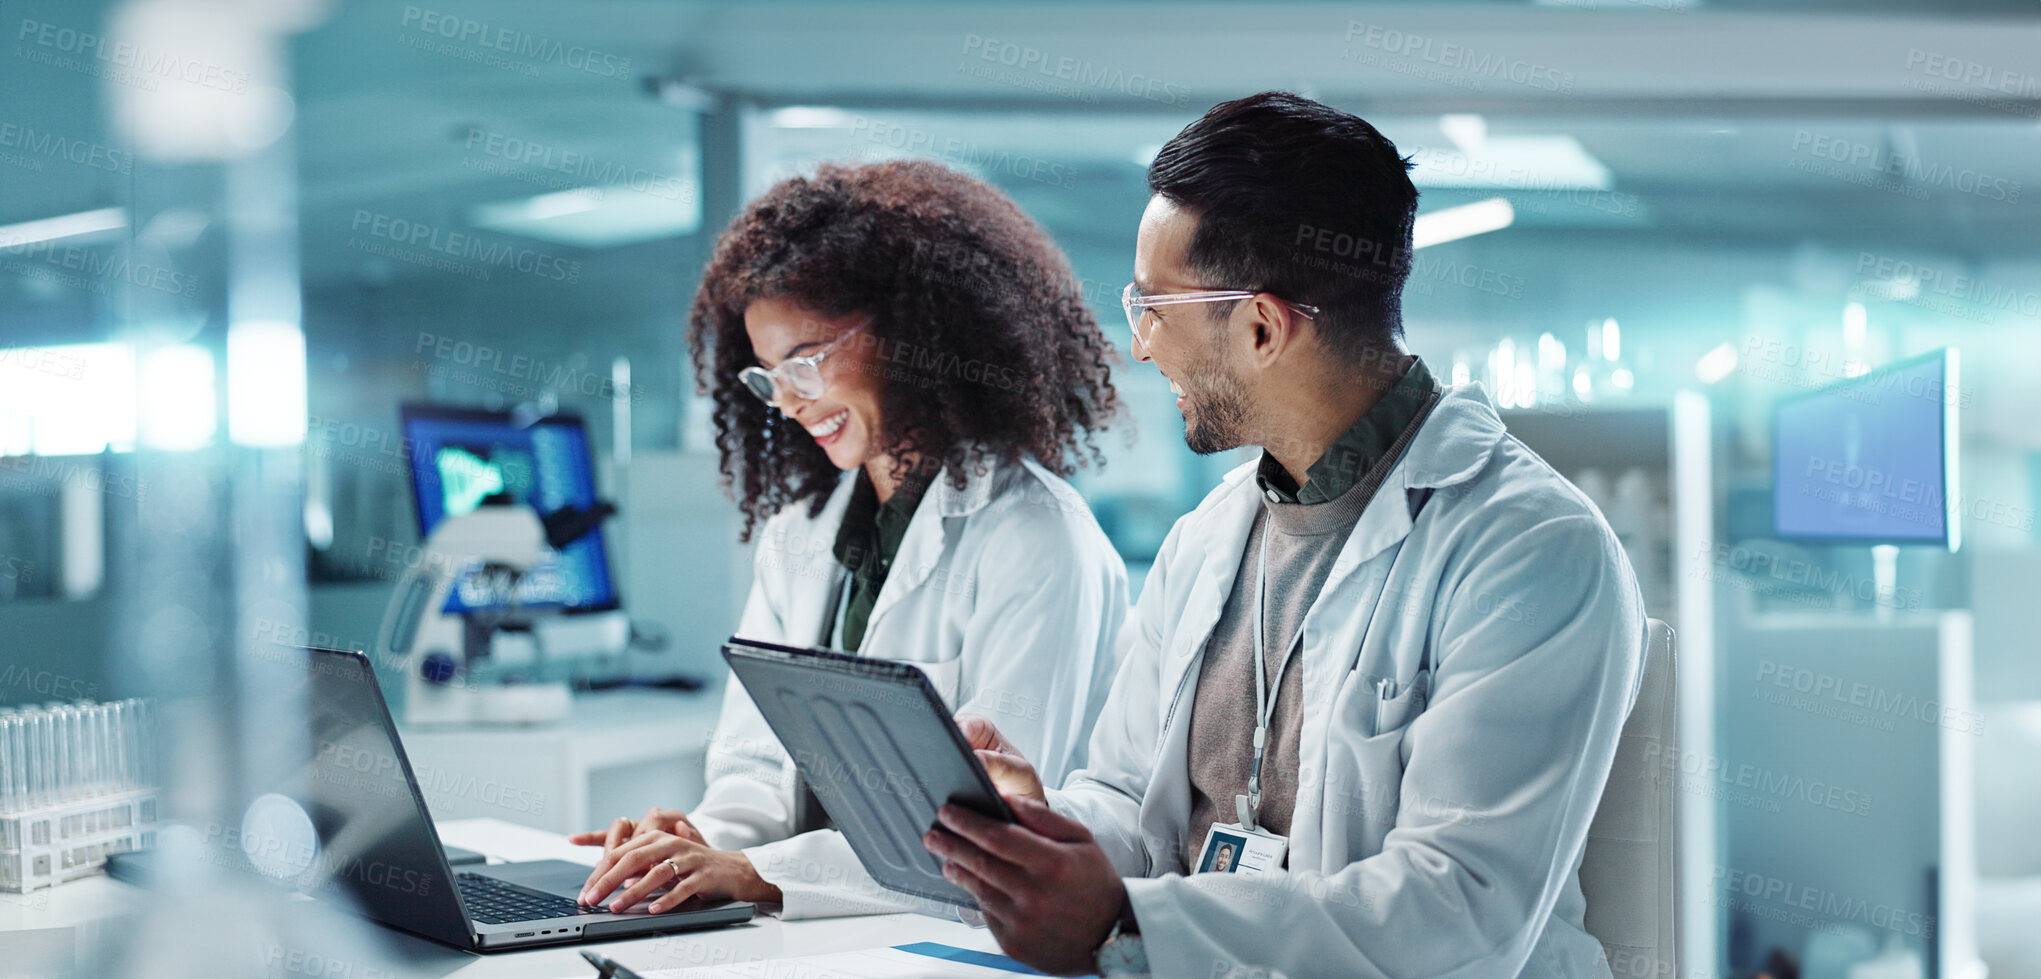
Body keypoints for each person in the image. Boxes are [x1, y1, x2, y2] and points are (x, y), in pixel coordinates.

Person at [923, 92, 1646, 978]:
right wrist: (1047, 838)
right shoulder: (1207, 538)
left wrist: (1124, 915)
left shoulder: (1527, 547)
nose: (1141, 346)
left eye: (1153, 308)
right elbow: (1124, 798)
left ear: (1262, 326)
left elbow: (1457, 908)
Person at [572, 160, 1129, 919]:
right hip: (811, 939)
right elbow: (753, 763)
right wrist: (699, 840)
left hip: (957, 950)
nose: (792, 402)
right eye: (770, 377)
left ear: (911, 331)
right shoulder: (798, 532)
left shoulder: (1036, 538)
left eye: (807, 361)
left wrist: (756, 870)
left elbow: (997, 835)